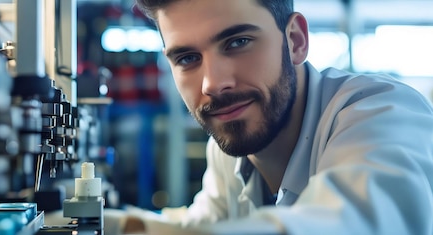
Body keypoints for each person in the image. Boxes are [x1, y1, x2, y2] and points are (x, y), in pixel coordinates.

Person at [106, 0, 433, 234]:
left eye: (237, 42)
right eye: (188, 58)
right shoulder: (230, 141)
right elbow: (205, 224)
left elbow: (350, 221)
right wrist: (109, 223)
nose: (213, 84)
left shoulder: (383, 112)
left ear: (295, 41)